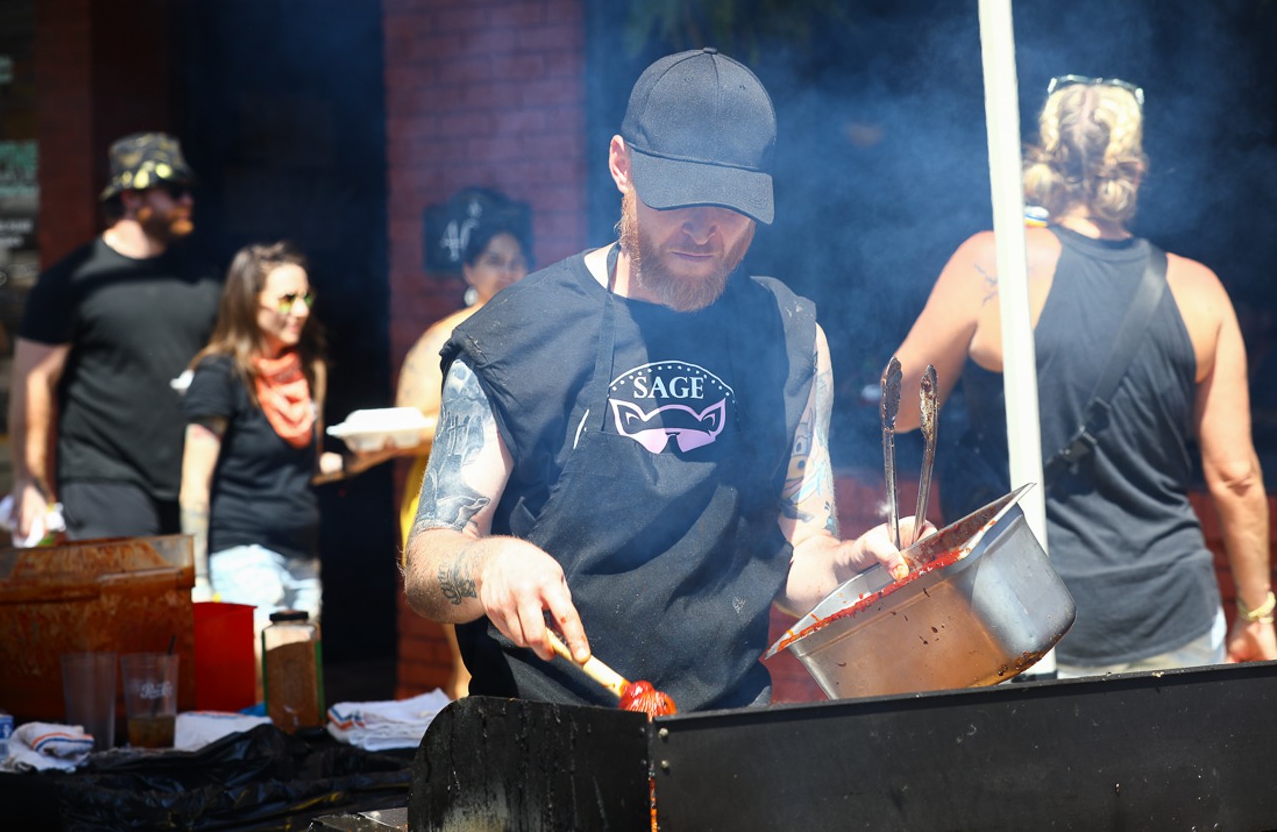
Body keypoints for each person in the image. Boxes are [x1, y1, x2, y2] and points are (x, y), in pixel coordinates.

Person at [402, 48, 916, 713]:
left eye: (729, 204)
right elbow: (427, 563)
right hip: (542, 745)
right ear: (622, 165)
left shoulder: (791, 339)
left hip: (724, 743)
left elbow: (796, 552)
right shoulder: (517, 336)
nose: (705, 227)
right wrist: (486, 562)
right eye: (679, 197)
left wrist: (848, 565)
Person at [891, 75, 1277, 677]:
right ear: (1138, 168)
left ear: (1041, 158)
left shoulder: (993, 265)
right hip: (1171, 612)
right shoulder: (1200, 289)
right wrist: (1258, 617)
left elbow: (899, 410)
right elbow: (1236, 477)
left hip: (1021, 614)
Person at [8, 132, 221, 544]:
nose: (187, 201)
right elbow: (33, 380)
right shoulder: (73, 281)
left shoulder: (205, 280)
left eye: (188, 191)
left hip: (189, 481)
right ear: (131, 198)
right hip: (105, 481)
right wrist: (28, 480)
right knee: (126, 607)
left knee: (192, 609)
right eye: (174, 191)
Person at [178, 241, 370, 627]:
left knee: (297, 677)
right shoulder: (221, 373)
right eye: (286, 299)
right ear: (250, 302)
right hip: (243, 552)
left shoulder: (308, 369)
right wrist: (195, 577)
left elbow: (309, 466)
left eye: (306, 297)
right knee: (260, 674)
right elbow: (194, 485)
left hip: (302, 551)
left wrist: (372, 453)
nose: (301, 310)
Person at [395, 190, 532, 700]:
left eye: (517, 261)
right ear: (469, 269)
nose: (508, 271)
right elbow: (405, 423)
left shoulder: (529, 331)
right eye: (495, 261)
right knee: (472, 650)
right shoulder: (444, 338)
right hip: (444, 504)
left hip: (509, 505)